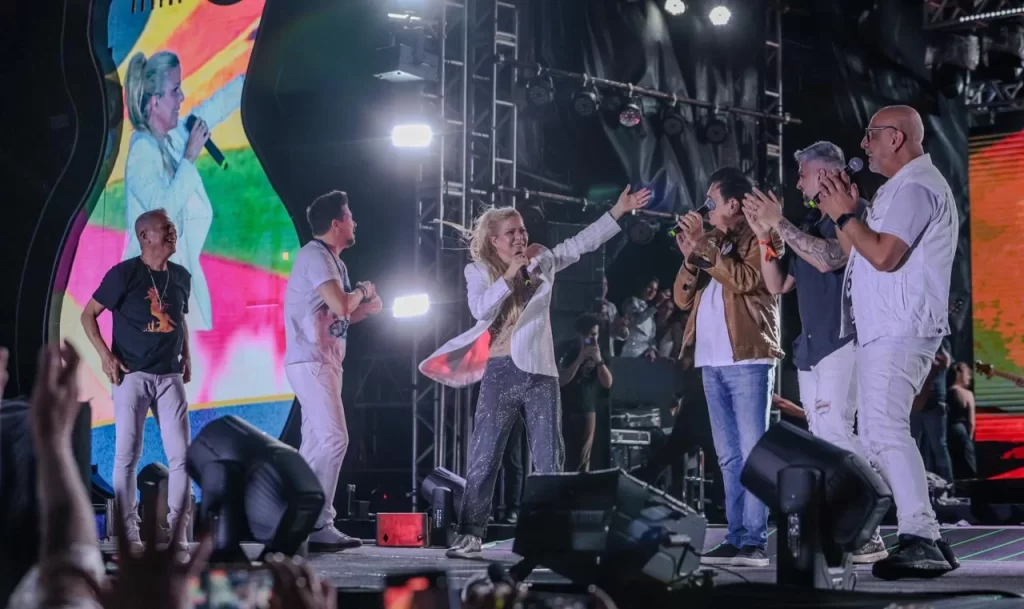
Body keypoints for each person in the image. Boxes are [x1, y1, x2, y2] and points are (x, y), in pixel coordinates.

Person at [419, 185, 651, 558]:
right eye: (511, 232)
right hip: (500, 371)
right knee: (484, 456)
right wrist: (510, 274)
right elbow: (480, 309)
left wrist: (619, 211)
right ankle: (471, 533)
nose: (520, 237)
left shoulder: (542, 262)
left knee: (549, 457)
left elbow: (582, 243)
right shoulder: (478, 271)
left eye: (523, 230)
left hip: (541, 373)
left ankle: (551, 535)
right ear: (494, 240)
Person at [816, 104, 959, 579]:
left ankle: (921, 535)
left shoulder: (917, 187)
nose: (864, 145)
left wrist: (845, 214)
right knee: (882, 429)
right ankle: (927, 536)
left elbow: (884, 256)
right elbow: (860, 250)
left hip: (900, 327)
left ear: (896, 138)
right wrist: (845, 214)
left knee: (884, 429)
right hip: (887, 326)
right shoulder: (899, 188)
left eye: (871, 135)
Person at [743, 141, 886, 564]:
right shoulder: (809, 223)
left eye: (803, 174)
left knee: (839, 432)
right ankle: (847, 528)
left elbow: (831, 258)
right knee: (824, 440)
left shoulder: (852, 211)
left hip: (842, 340)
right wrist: (765, 236)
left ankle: (870, 528)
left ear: (824, 173)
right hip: (810, 347)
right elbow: (777, 284)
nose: (798, 182)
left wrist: (780, 222)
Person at [672, 167, 784, 568]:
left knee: (753, 452)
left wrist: (705, 245)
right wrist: (693, 256)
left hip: (748, 357)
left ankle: (754, 539)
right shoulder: (713, 241)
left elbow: (746, 280)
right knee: (727, 456)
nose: (706, 208)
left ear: (733, 204)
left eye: (711, 201)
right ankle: (735, 536)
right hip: (711, 360)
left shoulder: (759, 235)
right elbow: (682, 298)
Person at [80, 209, 193, 552]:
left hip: (169, 375)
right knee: (127, 455)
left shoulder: (181, 276)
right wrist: (105, 356)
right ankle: (129, 534)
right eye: (165, 227)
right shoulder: (124, 274)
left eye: (172, 227)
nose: (173, 231)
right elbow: (88, 315)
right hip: (132, 376)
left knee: (182, 456)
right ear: (145, 236)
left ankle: (178, 533)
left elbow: (179, 318)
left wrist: (187, 355)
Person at [283, 190, 383, 551]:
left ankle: (300, 517)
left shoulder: (333, 262)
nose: (355, 222)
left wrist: (365, 311)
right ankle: (319, 522)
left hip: (324, 361)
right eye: (350, 216)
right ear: (337, 223)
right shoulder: (316, 256)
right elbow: (341, 305)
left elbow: (336, 317)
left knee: (314, 445)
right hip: (311, 362)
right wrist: (361, 292)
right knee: (335, 439)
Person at [122, 50, 245, 331]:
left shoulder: (173, 137)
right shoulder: (142, 151)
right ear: (154, 102)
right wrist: (189, 157)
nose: (182, 97)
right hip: (150, 299)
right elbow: (162, 211)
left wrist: (255, 74)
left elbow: (215, 106)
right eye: (175, 90)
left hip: (176, 290)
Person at [557, 313, 614, 472]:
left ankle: (580, 485)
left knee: (583, 459)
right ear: (579, 335)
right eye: (588, 335)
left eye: (595, 334)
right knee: (562, 455)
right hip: (564, 408)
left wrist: (599, 361)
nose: (591, 338)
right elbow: (560, 381)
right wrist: (579, 359)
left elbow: (607, 383)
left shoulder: (601, 352)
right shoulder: (567, 349)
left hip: (587, 408)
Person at [911, 342, 954, 483]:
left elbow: (945, 362)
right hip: (915, 400)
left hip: (934, 401)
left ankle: (948, 484)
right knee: (913, 445)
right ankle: (916, 483)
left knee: (939, 446)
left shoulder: (941, 341)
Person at [947, 361, 977, 478]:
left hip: (946, 431)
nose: (970, 377)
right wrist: (970, 439)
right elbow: (971, 422)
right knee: (968, 467)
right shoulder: (967, 394)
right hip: (962, 431)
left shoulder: (945, 393)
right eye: (968, 374)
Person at [619, 278, 662, 359]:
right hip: (630, 353)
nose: (652, 292)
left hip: (645, 355)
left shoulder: (650, 312)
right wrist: (655, 305)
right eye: (650, 287)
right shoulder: (631, 302)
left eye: (655, 290)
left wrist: (652, 349)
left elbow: (651, 337)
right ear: (642, 287)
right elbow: (635, 320)